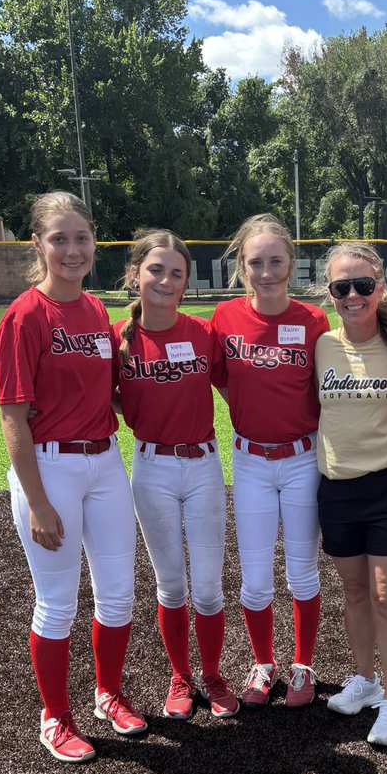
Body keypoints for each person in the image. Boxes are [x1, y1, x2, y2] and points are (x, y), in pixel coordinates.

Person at [0, 190, 145, 764]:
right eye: (60, 239)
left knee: (119, 596)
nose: (73, 249)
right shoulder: (24, 315)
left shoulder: (98, 310)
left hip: (105, 461)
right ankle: (55, 716)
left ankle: (108, 694)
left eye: (82, 238)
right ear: (38, 244)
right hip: (49, 467)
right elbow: (12, 416)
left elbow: (106, 390)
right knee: (57, 603)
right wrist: (37, 500)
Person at [113, 230, 238, 722]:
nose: (165, 280)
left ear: (187, 281)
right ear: (135, 274)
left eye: (176, 273)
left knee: (207, 587)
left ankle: (212, 673)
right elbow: (106, 396)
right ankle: (180, 676)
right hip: (151, 466)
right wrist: (139, 418)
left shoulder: (203, 333)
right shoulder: (116, 339)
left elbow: (238, 388)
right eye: (156, 270)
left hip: (204, 463)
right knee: (171, 587)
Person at [210, 214, 330, 708]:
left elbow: (325, 389)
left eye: (276, 260)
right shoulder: (225, 318)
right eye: (255, 262)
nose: (266, 271)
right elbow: (221, 378)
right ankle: (263, 663)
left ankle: (302, 664)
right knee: (256, 579)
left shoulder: (313, 320)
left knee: (302, 572)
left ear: (292, 264)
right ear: (241, 266)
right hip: (252, 460)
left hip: (303, 457)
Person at [314, 243, 387, 747]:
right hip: (335, 489)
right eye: (342, 287)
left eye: (363, 285)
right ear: (329, 293)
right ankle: (365, 680)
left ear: (381, 286)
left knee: (386, 598)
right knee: (354, 594)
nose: (353, 295)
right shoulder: (322, 345)